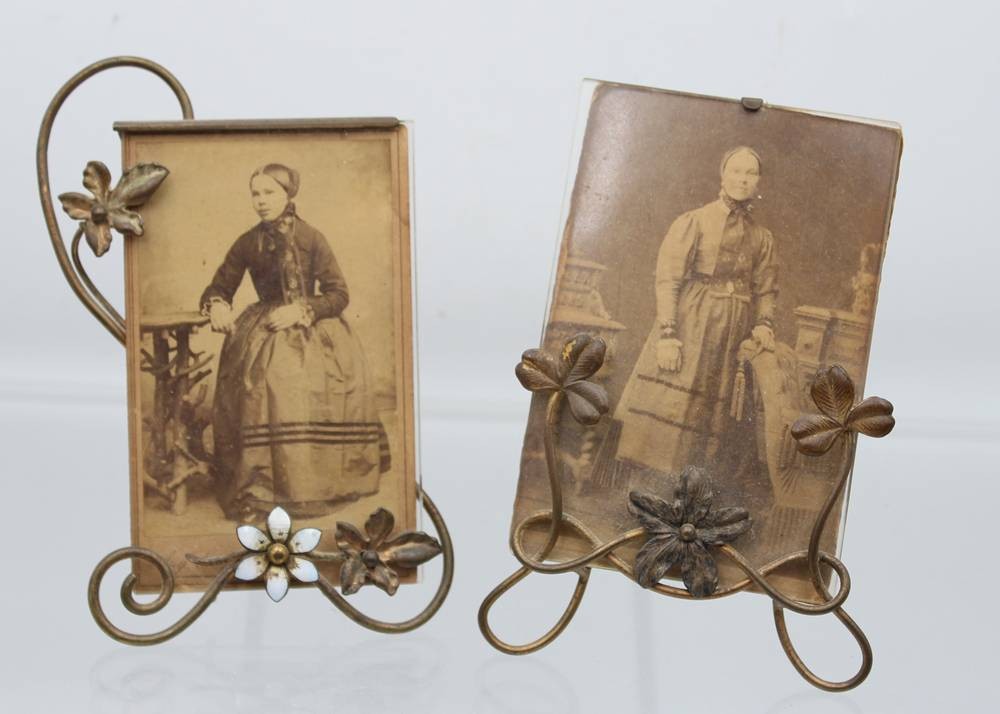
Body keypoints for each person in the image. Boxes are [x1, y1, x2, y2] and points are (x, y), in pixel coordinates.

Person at [200, 163, 390, 522]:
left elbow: (338, 294)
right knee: (265, 384)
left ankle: (311, 485)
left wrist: (302, 310)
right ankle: (262, 488)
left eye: (269, 192)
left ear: (288, 194)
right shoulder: (248, 242)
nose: (260, 201)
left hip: (312, 330)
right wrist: (218, 305)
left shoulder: (311, 238)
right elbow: (220, 285)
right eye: (255, 194)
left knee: (303, 385)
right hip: (264, 329)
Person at [610, 147, 778, 498]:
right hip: (691, 324)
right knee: (672, 407)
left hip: (730, 337)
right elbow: (668, 279)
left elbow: (766, 288)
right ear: (723, 175)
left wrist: (764, 323)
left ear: (759, 181)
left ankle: (687, 498)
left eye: (750, 173)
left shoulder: (762, 237)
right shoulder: (695, 221)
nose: (743, 179)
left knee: (711, 417)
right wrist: (668, 334)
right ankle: (645, 494)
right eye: (736, 171)